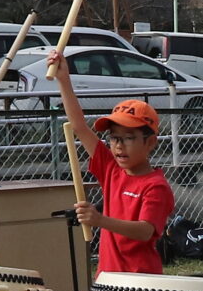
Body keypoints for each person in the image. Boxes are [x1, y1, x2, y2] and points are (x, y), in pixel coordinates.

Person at [47, 48, 174, 275]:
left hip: (140, 281)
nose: (118, 146)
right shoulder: (111, 169)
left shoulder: (156, 186)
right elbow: (78, 126)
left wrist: (100, 219)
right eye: (114, 138)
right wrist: (63, 79)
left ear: (151, 142)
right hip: (107, 278)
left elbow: (145, 231)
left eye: (129, 138)